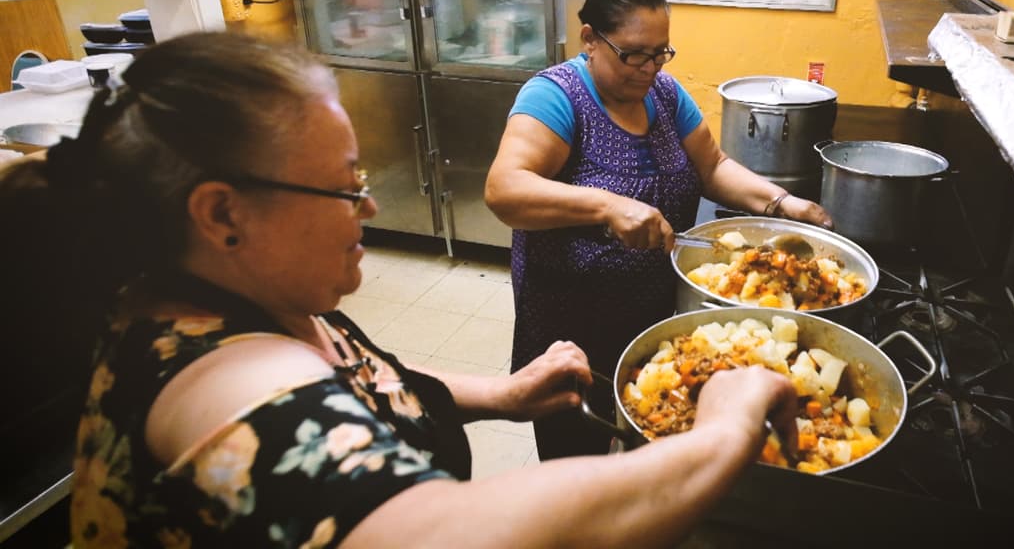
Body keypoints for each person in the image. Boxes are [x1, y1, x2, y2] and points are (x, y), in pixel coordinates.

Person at [0, 32, 796, 548]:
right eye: (344, 187)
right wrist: (720, 433)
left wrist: (500, 394)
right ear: (222, 213)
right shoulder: (212, 378)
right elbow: (429, 535)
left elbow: (353, 381)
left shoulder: (260, 297)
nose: (370, 207)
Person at [485, 0, 832, 461]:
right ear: (590, 38)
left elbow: (712, 165)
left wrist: (783, 204)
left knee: (641, 429)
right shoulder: (557, 98)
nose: (649, 67)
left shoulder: (664, 94)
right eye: (634, 53)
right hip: (571, 320)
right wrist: (608, 205)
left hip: (649, 313)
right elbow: (505, 189)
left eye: (661, 52)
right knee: (576, 453)